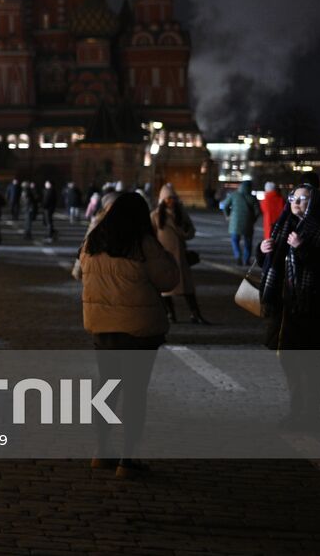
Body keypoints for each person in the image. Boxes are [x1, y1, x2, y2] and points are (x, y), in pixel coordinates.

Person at [74, 191, 179, 477]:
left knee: (106, 390)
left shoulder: (93, 242)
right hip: (139, 330)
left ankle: (101, 450)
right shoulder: (143, 244)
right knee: (135, 394)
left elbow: (82, 273)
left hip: (104, 328)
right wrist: (167, 254)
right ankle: (127, 458)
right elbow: (169, 279)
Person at [259, 187, 320, 429]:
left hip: (311, 306)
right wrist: (262, 251)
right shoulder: (284, 225)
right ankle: (296, 411)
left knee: (310, 362)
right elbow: (274, 261)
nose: (296, 202)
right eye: (293, 198)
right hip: (285, 306)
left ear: (314, 203)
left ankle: (311, 414)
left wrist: (301, 247)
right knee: (287, 358)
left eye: (302, 198)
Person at [152, 184, 207, 324]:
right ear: (163, 199)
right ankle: (171, 314)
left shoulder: (181, 213)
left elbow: (191, 232)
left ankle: (195, 314)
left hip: (180, 255)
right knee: (165, 289)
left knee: (187, 287)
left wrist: (185, 231)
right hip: (164, 256)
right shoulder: (156, 216)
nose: (171, 201)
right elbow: (151, 236)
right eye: (168, 198)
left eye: (172, 198)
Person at [222, 180, 261, 266]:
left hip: (234, 222)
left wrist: (228, 216)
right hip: (248, 222)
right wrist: (253, 219)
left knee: (235, 240)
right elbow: (258, 211)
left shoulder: (234, 195)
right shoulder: (252, 197)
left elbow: (225, 206)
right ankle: (246, 259)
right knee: (248, 242)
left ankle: (238, 256)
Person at [261, 182, 286, 246]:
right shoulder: (281, 199)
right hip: (281, 226)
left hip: (269, 226)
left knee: (269, 246)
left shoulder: (264, 201)